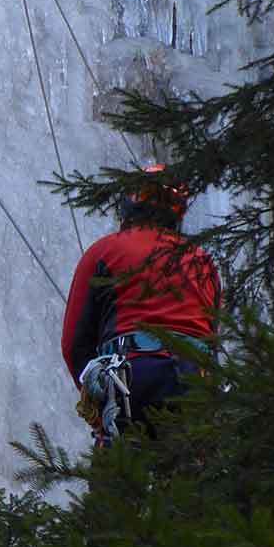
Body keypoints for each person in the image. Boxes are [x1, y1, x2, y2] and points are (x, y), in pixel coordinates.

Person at [61, 164, 220, 443]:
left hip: (132, 376)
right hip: (193, 379)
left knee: (118, 472)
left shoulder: (105, 251)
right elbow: (212, 339)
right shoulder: (202, 261)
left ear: (129, 206)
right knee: (189, 474)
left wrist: (96, 407)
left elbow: (74, 346)